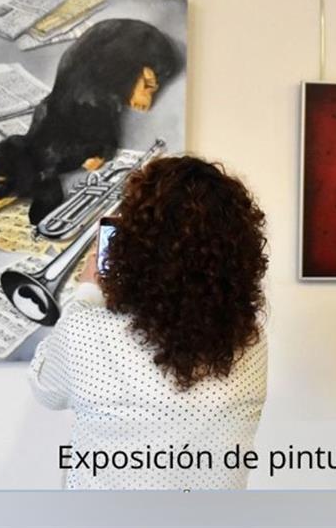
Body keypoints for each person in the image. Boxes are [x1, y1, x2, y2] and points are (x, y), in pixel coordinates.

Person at [28, 155, 269, 490]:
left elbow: (46, 390)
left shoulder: (88, 331)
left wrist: (87, 292)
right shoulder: (251, 340)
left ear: (131, 247)